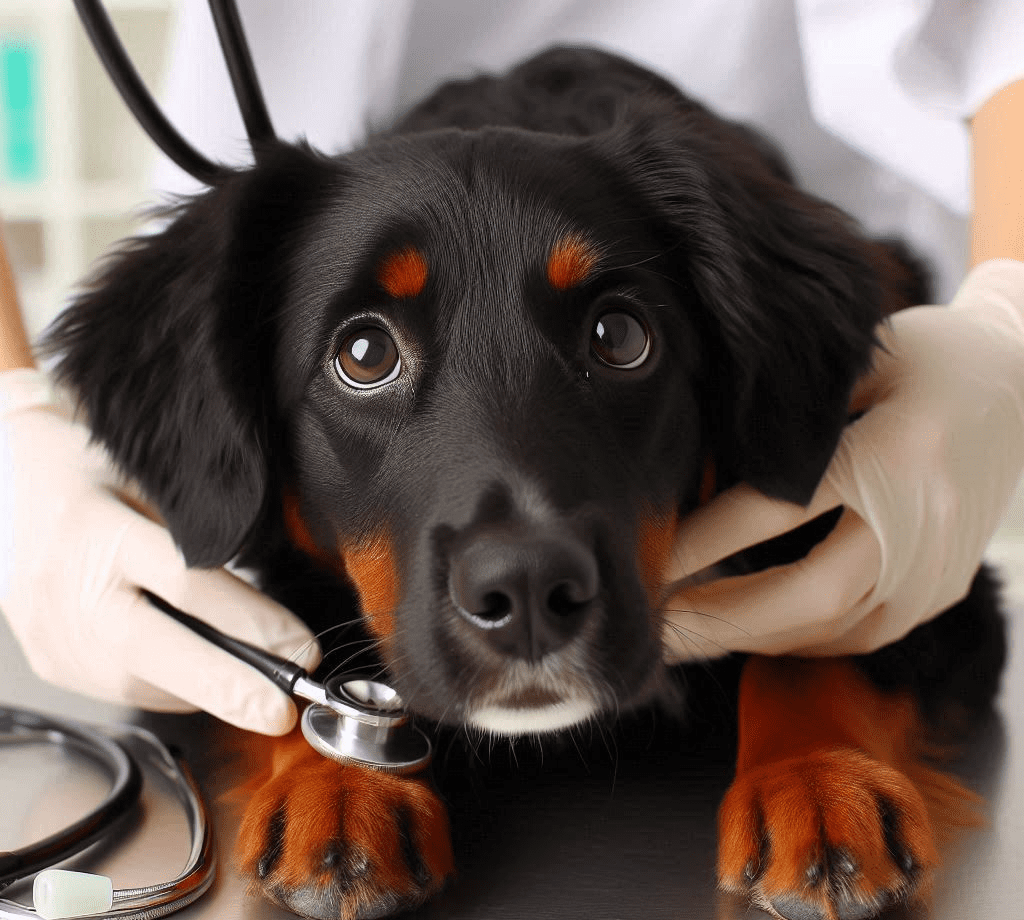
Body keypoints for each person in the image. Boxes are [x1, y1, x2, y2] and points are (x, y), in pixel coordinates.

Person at [1, 0, 1022, 733]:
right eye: (364, 353)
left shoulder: (744, 315)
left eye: (615, 339)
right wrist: (8, 418)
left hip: (768, 193)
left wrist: (1008, 311)